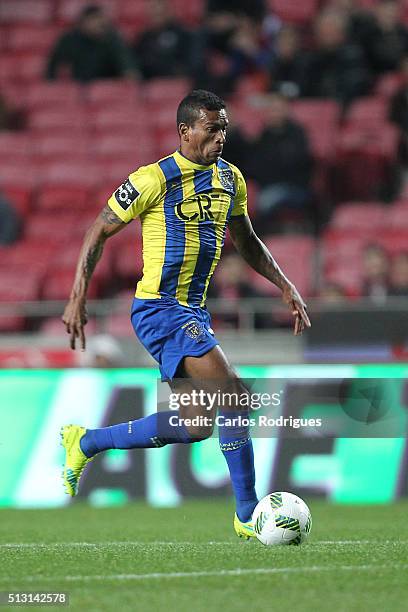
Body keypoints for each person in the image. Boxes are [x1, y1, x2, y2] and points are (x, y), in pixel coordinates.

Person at [60, 90, 310, 538]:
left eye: (225, 129)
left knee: (196, 426)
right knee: (235, 396)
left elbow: (247, 241)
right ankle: (247, 514)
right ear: (186, 131)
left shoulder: (231, 179)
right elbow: (98, 229)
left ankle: (86, 441)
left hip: (191, 311)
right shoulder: (154, 179)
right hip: (160, 308)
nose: (221, 137)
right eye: (212, 129)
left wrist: (285, 285)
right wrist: (78, 295)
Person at [246, 92, 314, 232]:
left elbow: (296, 164)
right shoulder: (264, 135)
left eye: (277, 109)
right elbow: (255, 164)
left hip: (294, 187)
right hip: (267, 185)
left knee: (265, 202)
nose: (274, 113)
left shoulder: (297, 133)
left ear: (286, 110)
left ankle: (262, 239)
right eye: (271, 109)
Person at [46, 4, 137, 82]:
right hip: (78, 84)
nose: (98, 24)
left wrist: (129, 73)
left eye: (100, 20)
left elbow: (125, 64)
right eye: (93, 19)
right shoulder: (70, 39)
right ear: (83, 22)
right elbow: (54, 64)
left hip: (105, 86)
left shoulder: (112, 39)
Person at [303, 9, 369, 105]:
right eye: (323, 31)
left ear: (342, 33)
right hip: (315, 108)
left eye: (331, 30)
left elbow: (355, 88)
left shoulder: (353, 57)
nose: (326, 35)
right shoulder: (309, 58)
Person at [133, 0, 192, 80]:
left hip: (174, 79)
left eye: (160, 12)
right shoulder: (144, 37)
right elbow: (138, 62)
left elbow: (188, 61)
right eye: (154, 12)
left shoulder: (181, 33)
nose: (156, 15)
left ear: (168, 12)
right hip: (150, 81)